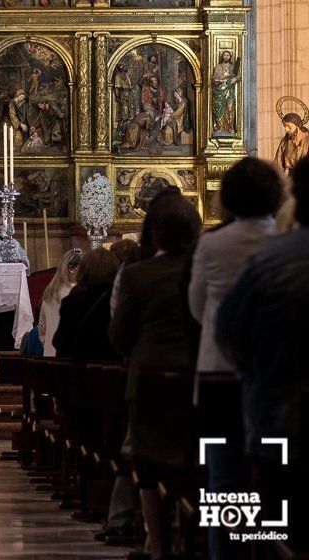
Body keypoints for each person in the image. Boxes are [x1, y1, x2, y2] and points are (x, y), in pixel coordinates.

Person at [188, 158, 282, 559]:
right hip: (273, 376)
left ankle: (223, 553)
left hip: (217, 376)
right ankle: (267, 550)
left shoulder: (211, 243)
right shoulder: (284, 240)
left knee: (223, 478)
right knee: (273, 474)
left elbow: (195, 305)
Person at [216, 156, 309, 550]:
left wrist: (258, 370)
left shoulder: (270, 258)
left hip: (281, 413)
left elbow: (229, 334)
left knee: (279, 524)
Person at [108, 195, 202, 559]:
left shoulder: (136, 273)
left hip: (147, 375)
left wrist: (136, 351)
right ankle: (194, 537)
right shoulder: (202, 269)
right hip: (196, 375)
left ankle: (159, 543)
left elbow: (118, 333)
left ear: (156, 235)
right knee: (195, 456)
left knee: (148, 462)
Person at [52, 248, 120, 363]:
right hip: (113, 366)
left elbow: (60, 341)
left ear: (84, 270)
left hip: (80, 368)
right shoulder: (118, 299)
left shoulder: (71, 301)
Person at [37, 249, 80, 357]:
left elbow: (42, 329)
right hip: (70, 355)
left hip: (50, 354)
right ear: (71, 269)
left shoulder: (50, 292)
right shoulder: (77, 292)